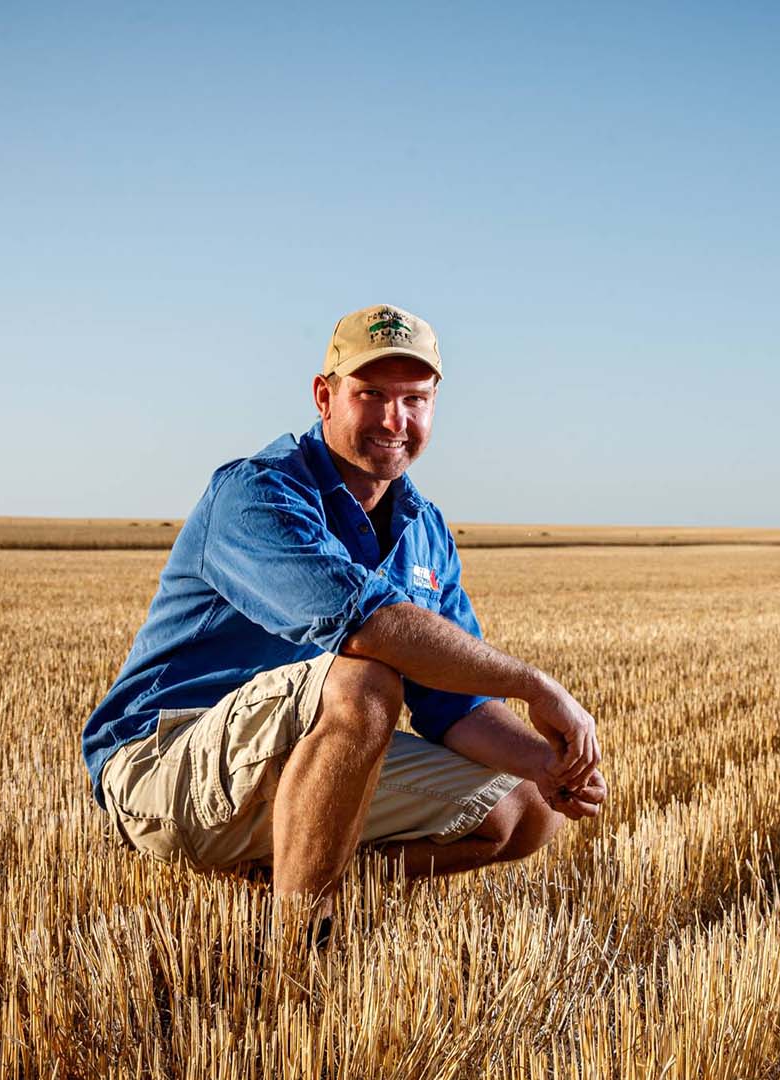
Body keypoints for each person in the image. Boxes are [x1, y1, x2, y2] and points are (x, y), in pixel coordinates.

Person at [82, 303, 606, 930]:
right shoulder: (257, 494)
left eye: (414, 398)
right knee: (363, 679)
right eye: (371, 394)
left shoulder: (425, 529)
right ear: (323, 397)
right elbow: (365, 626)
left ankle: (283, 875)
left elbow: (454, 705)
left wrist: (555, 768)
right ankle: (298, 952)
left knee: (525, 805)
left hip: (297, 766)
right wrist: (536, 685)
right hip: (166, 766)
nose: (395, 419)